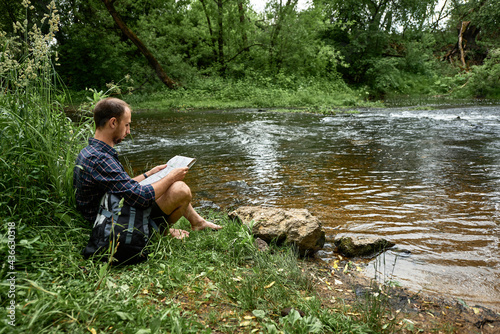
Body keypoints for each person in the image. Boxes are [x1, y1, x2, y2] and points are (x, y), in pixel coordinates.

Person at [73, 97, 221, 240]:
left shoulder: (92, 151)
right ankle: (156, 232)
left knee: (167, 184)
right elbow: (140, 197)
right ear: (113, 123)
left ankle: (198, 223)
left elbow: (121, 186)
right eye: (126, 125)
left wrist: (148, 174)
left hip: (110, 211)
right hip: (113, 223)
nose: (128, 131)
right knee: (180, 189)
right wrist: (171, 177)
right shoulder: (100, 159)